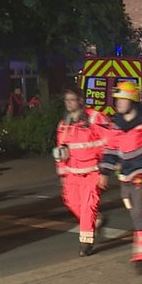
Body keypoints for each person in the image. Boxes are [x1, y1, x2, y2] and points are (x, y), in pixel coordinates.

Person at [98, 81, 142, 275]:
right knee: (139, 214)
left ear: (132, 100)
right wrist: (105, 173)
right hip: (125, 177)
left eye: (122, 99)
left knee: (138, 213)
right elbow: (111, 150)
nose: (118, 103)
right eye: (117, 99)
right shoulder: (116, 124)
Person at [55, 88, 110, 257]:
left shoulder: (95, 118)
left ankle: (85, 243)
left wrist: (104, 171)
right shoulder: (64, 123)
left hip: (92, 172)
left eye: (72, 99)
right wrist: (63, 175)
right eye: (67, 100)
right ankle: (98, 219)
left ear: (80, 100)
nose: (69, 103)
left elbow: (108, 144)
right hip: (72, 173)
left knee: (87, 207)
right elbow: (61, 152)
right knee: (72, 203)